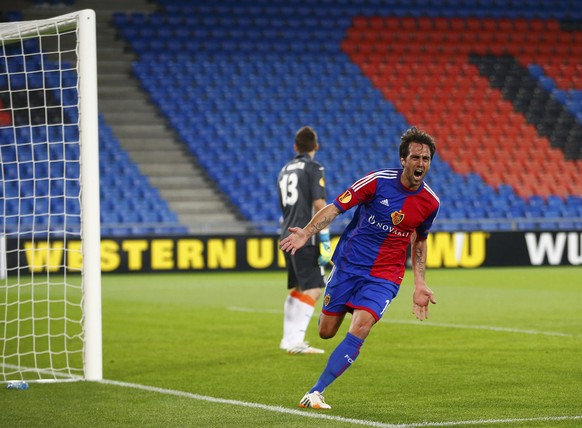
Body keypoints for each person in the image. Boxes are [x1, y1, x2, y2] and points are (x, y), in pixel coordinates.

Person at [280, 127, 440, 409]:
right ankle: (345, 306)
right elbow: (335, 207)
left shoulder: (430, 202)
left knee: (362, 325)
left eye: (426, 159)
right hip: (349, 266)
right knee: (326, 331)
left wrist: (420, 283)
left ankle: (316, 391)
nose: (421, 163)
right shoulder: (376, 182)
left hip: (385, 276)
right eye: (415, 157)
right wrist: (306, 232)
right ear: (403, 160)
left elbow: (420, 240)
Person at [277, 126, 333, 355]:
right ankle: (296, 342)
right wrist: (325, 238)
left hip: (286, 234)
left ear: (295, 147)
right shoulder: (314, 167)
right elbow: (320, 205)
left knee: (298, 287)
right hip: (304, 237)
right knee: (314, 288)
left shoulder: (284, 169)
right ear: (316, 146)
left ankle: (287, 339)